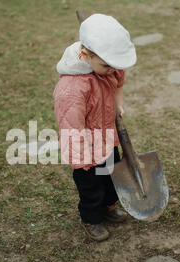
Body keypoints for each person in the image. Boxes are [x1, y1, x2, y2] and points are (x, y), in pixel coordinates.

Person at [53, 14, 137, 241]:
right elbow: (70, 126)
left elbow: (119, 84)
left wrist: (119, 104)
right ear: (86, 55)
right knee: (91, 186)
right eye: (106, 65)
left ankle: (109, 206)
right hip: (85, 147)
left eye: (115, 65)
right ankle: (91, 218)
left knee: (111, 175)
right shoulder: (72, 88)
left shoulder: (110, 65)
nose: (113, 70)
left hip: (108, 138)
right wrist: (82, 158)